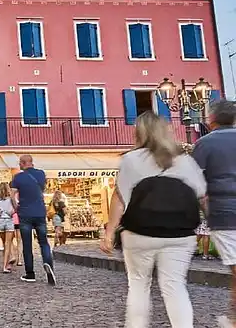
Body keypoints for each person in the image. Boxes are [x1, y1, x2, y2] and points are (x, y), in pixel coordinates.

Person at [101, 111, 206, 328]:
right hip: (180, 234)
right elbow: (203, 195)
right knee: (175, 286)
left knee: (139, 285)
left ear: (139, 133)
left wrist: (109, 232)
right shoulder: (184, 160)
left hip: (139, 233)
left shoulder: (131, 159)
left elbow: (119, 199)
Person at [191, 100, 236, 328]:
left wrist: (205, 209)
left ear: (211, 119)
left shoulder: (204, 144)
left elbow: (194, 182)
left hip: (224, 212)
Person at [11, 154, 56, 286]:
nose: (19, 165)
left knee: (27, 244)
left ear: (23, 163)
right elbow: (42, 189)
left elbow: (12, 195)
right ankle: (49, 267)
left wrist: (16, 208)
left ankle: (30, 274)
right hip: (40, 212)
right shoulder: (41, 174)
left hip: (25, 213)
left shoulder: (18, 177)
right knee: (44, 242)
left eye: (20, 163)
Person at [0, 182, 16, 273]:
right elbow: (17, 207)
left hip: (0, 221)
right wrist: (12, 212)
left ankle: (6, 264)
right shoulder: (10, 199)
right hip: (9, 221)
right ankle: (5, 265)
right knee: (8, 244)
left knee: (4, 243)